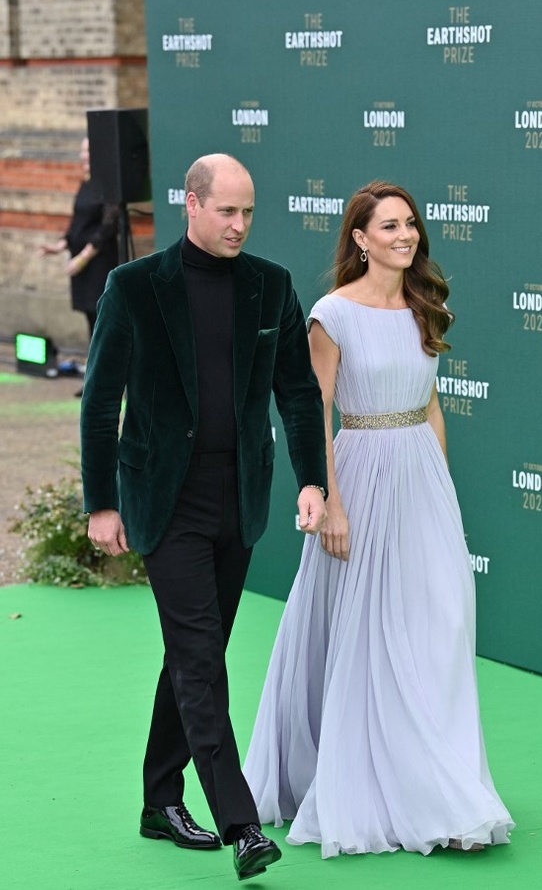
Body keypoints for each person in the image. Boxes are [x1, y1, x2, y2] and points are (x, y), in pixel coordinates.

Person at [243, 180, 515, 858]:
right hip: (359, 474)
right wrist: (329, 501)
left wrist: (442, 492)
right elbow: (315, 410)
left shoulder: (424, 306)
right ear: (360, 239)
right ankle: (367, 783)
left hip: (420, 477)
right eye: (389, 226)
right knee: (360, 633)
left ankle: (440, 785)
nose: (405, 235)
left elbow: (431, 406)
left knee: (440, 625)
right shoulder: (332, 314)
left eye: (410, 223)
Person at [79, 153, 328, 881]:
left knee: (196, 652)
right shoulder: (134, 287)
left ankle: (160, 799)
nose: (239, 225)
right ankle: (241, 824)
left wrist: (311, 479)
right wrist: (101, 501)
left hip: (237, 496)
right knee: (198, 658)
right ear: (190, 204)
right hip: (166, 498)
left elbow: (297, 391)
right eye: (226, 211)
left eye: (248, 212)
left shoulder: (270, 286)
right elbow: (100, 399)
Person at [39, 137, 119, 392]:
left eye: (88, 151)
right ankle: (95, 381)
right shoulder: (85, 183)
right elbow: (78, 223)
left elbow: (108, 226)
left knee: (102, 322)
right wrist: (60, 245)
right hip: (81, 264)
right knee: (90, 321)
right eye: (83, 151)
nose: (84, 156)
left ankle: (105, 383)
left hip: (98, 264)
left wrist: (84, 256)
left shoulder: (108, 185)